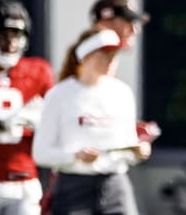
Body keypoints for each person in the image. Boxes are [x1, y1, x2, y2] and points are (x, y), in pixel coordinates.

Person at [32, 28, 152, 215]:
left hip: (115, 185)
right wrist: (75, 156)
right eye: (105, 54)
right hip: (73, 187)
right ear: (86, 56)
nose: (112, 60)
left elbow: (127, 149)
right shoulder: (59, 95)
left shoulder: (122, 93)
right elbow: (40, 153)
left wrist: (137, 151)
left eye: (115, 54)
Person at [0, 0, 55, 215]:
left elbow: (58, 117)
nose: (11, 43)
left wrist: (42, 119)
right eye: (2, 35)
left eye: (16, 35)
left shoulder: (39, 71)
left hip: (24, 180)